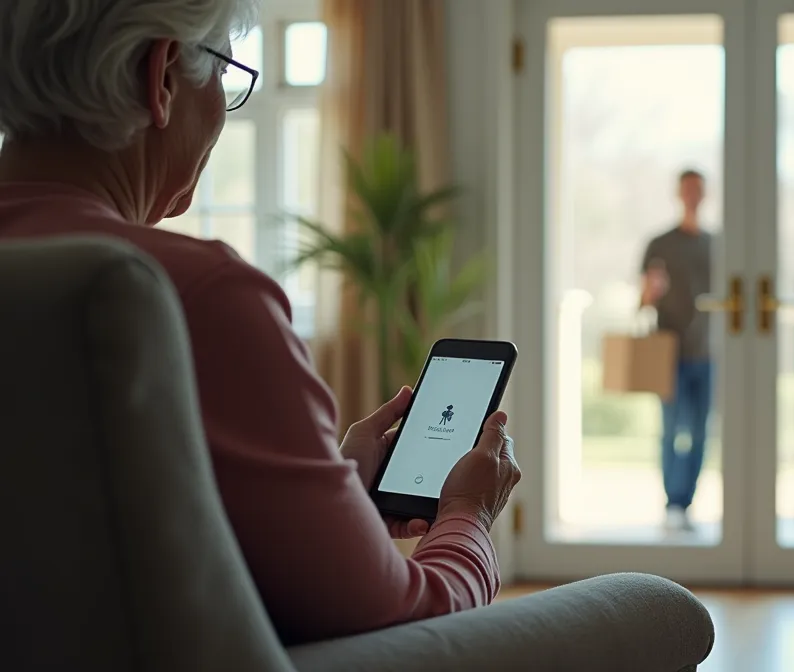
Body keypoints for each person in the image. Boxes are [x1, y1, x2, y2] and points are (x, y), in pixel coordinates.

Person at [0, 0, 519, 644]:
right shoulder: (197, 295)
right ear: (162, 76)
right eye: (223, 74)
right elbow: (409, 623)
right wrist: (468, 512)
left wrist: (328, 494)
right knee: (641, 606)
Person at [640, 169, 714, 533]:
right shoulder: (660, 244)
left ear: (705, 194)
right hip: (670, 353)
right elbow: (643, 300)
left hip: (709, 352)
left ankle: (687, 504)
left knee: (699, 432)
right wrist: (652, 290)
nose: (692, 195)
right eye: (687, 189)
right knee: (671, 431)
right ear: (678, 193)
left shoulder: (717, 244)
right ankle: (672, 504)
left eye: (697, 189)